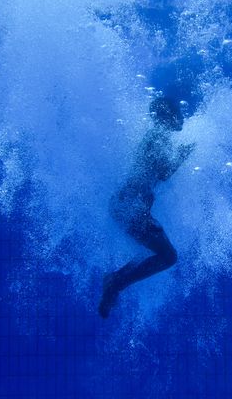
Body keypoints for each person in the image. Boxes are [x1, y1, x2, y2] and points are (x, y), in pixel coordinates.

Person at [98, 97, 195, 318]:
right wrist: (184, 154)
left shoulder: (156, 137)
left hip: (128, 206)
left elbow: (151, 175)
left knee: (157, 253)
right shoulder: (157, 137)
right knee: (168, 256)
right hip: (130, 207)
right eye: (177, 111)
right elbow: (163, 173)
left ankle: (114, 281)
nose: (181, 116)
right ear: (167, 115)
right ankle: (114, 283)